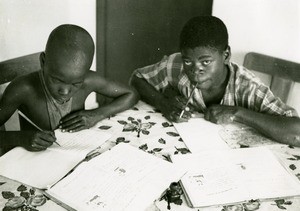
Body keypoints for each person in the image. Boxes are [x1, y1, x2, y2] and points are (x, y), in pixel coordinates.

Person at [130, 15, 300, 147]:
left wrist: (237, 113)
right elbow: (137, 79)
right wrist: (163, 103)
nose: (196, 70)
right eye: (188, 61)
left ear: (226, 56)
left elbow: (296, 131)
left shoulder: (249, 87)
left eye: (206, 62)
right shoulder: (176, 65)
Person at [0, 24, 139, 152]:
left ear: (85, 72)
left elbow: (131, 94)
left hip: (75, 154)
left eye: (76, 83)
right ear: (43, 61)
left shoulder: (88, 80)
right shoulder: (23, 89)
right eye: (57, 80)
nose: (65, 91)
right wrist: (20, 138)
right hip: (33, 161)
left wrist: (97, 114)